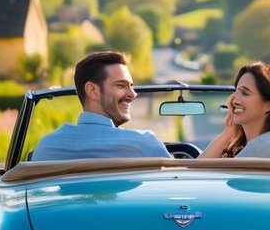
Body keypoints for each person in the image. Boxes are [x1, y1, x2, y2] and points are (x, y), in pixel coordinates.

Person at [30, 51, 173, 161]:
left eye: (131, 86)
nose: (133, 94)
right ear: (93, 91)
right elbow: (176, 188)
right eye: (121, 85)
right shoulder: (144, 145)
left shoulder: (46, 148)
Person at [200, 61, 270, 159]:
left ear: (269, 105)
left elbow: (200, 173)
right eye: (236, 91)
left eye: (245, 93)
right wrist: (228, 133)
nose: (233, 99)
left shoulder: (267, 144)